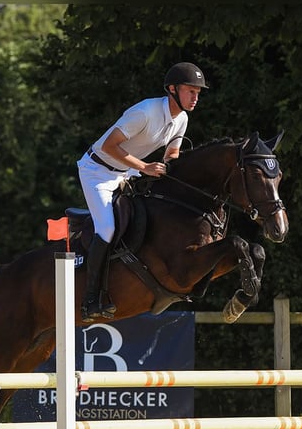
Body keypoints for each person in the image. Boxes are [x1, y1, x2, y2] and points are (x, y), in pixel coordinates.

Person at [76, 62, 209, 322]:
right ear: (172, 89)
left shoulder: (181, 119)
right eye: (190, 91)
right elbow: (109, 146)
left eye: (198, 93)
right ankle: (91, 298)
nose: (195, 97)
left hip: (128, 170)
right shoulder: (146, 112)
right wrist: (145, 167)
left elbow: (172, 154)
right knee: (107, 229)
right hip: (97, 171)